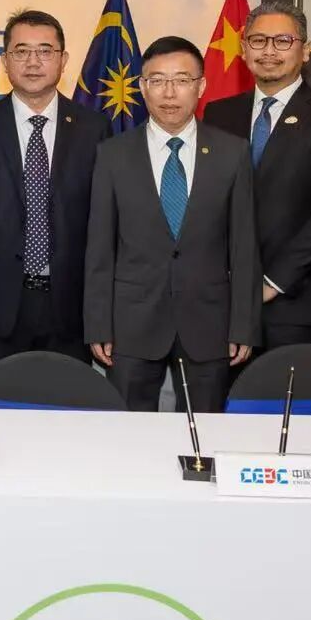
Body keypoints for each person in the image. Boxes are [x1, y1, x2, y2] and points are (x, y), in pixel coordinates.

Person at [84, 35, 259, 412]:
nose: (169, 92)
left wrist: (243, 325)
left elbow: (243, 248)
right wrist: (98, 323)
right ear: (142, 86)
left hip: (209, 323)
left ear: (201, 86)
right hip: (131, 324)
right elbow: (100, 248)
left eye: (181, 80)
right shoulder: (112, 155)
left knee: (204, 432)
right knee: (129, 432)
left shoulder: (232, 153)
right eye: (157, 80)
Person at [202, 0, 311, 352]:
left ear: (306, 50)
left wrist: (273, 281)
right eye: (258, 41)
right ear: (244, 49)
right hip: (224, 302)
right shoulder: (218, 114)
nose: (269, 51)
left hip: (297, 303)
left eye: (283, 41)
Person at [0, 9, 104, 374]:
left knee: (68, 406)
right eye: (21, 51)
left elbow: (104, 222)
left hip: (71, 307)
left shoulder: (94, 128)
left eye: (45, 51)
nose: (33, 62)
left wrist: (103, 307)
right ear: (5, 61)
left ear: (63, 60)